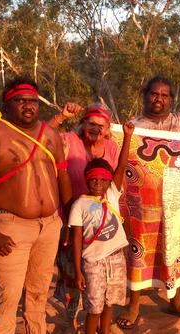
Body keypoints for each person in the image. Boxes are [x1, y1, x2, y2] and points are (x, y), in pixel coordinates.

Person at [117, 55, 180, 329]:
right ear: (145, 95)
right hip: (142, 206)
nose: (158, 99)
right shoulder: (132, 125)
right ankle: (134, 304)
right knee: (139, 253)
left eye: (164, 95)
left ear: (171, 99)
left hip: (177, 204)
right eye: (154, 94)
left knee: (174, 254)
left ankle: (174, 300)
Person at [0, 77, 71, 333]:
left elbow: (63, 177)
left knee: (38, 294)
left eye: (33, 101)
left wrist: (67, 221)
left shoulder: (50, 134)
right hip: (10, 227)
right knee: (9, 296)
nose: (28, 106)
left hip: (49, 226)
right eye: (20, 101)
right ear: (7, 104)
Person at [48, 103, 119, 329]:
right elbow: (42, 139)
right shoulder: (69, 140)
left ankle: (95, 317)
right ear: (83, 124)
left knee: (100, 274)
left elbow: (117, 180)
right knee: (73, 271)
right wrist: (61, 116)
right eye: (91, 124)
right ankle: (73, 318)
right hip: (71, 217)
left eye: (101, 125)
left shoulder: (112, 147)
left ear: (108, 129)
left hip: (102, 224)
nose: (96, 129)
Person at [71, 121, 134, 334]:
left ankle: (105, 332)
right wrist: (78, 271)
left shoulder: (112, 194)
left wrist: (127, 136)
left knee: (110, 303)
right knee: (94, 307)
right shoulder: (80, 204)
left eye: (103, 179)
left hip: (116, 258)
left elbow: (122, 165)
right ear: (86, 180)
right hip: (93, 262)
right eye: (93, 180)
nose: (98, 183)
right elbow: (77, 238)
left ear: (109, 182)